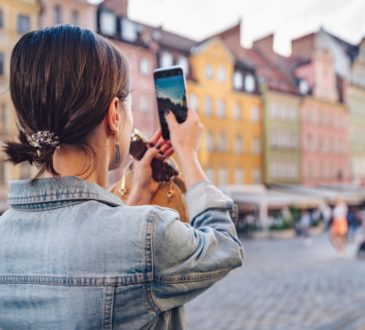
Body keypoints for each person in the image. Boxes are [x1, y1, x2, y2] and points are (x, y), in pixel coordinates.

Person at [0, 25, 243, 329]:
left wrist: (138, 192)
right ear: (114, 114)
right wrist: (187, 152)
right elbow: (224, 245)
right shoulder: (148, 234)